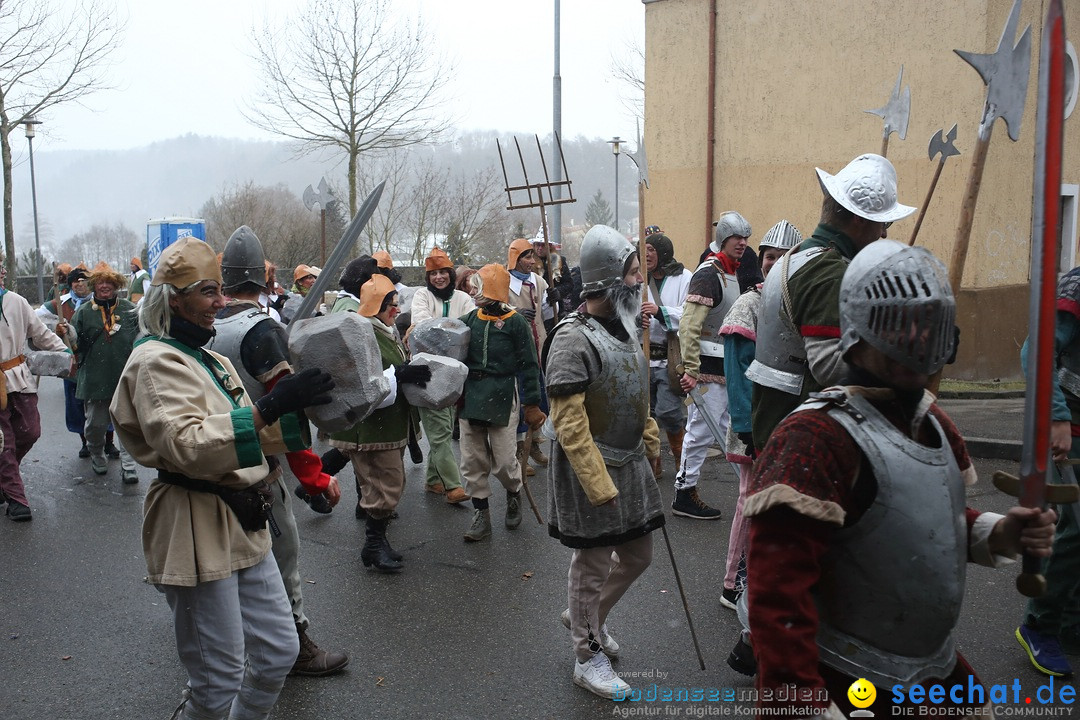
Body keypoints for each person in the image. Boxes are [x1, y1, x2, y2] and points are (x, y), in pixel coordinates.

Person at [744, 240, 1056, 717]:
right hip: (846, 675)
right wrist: (799, 699)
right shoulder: (814, 435)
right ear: (857, 331)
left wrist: (998, 532)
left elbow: (920, 520)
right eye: (897, 323)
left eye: (925, 323)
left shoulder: (934, 423)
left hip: (934, 667)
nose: (914, 339)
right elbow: (777, 596)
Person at [109, 236, 334, 719]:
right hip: (192, 523)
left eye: (219, 290)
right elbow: (187, 445)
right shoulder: (153, 361)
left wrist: (310, 409)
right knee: (217, 678)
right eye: (207, 291)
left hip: (247, 518)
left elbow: (256, 432)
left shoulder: (211, 359)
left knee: (277, 652)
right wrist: (271, 404)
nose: (219, 302)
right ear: (173, 299)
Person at [210, 225, 349, 677]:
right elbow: (285, 415)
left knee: (224, 559)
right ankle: (293, 645)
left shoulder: (202, 326)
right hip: (256, 465)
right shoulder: (262, 331)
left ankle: (232, 644)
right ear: (267, 282)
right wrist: (315, 478)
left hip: (210, 457)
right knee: (281, 552)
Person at [544, 224, 664, 700]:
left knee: (638, 555)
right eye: (634, 272)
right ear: (609, 280)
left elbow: (637, 396)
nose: (641, 280)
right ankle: (586, 655)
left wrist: (651, 445)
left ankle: (586, 616)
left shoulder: (628, 325)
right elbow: (570, 425)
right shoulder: (572, 340)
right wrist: (598, 484)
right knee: (591, 564)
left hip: (629, 460)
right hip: (589, 467)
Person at [748, 153, 915, 450]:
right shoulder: (829, 272)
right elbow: (829, 366)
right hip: (804, 438)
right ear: (857, 219)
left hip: (779, 428)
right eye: (881, 222)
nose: (885, 232)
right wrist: (900, 350)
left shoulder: (797, 257)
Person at [717, 220, 801, 614]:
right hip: (754, 422)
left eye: (785, 258)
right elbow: (737, 371)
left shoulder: (797, 304)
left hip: (788, 422)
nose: (775, 264)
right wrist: (748, 426)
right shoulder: (748, 304)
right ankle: (733, 582)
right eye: (770, 257)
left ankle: (764, 575)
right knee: (750, 499)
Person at [329, 273, 429, 572]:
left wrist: (403, 371)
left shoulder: (379, 328)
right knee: (384, 484)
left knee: (386, 484)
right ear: (376, 305)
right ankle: (373, 545)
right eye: (391, 305)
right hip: (371, 428)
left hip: (385, 424)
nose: (396, 310)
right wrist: (400, 373)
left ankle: (377, 543)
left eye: (397, 304)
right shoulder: (364, 333)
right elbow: (362, 383)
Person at [1013, 265, 1080, 677]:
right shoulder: (1077, 286)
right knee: (1075, 527)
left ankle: (1072, 625)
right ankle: (1039, 626)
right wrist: (1055, 418)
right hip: (1070, 426)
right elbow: (1034, 351)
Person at [458, 263, 544, 542]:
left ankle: (513, 494)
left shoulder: (516, 323)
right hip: (471, 395)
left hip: (503, 395)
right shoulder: (470, 319)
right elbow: (450, 350)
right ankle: (481, 513)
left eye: (478, 286)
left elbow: (530, 366)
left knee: (506, 461)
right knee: (472, 460)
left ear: (492, 289)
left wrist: (532, 404)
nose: (472, 291)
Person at [672, 210, 750, 520]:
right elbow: (689, 326)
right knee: (701, 433)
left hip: (726, 368)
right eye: (736, 237)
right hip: (707, 370)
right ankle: (684, 492)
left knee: (728, 430)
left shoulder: (731, 272)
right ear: (723, 239)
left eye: (745, 237)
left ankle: (748, 489)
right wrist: (691, 368)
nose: (742, 242)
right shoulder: (709, 273)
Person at [0, 262, 71, 521]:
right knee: (3, 443)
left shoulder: (16, 302)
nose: (2, 272)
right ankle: (17, 499)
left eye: (1, 267)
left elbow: (40, 334)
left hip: (18, 376)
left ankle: (4, 478)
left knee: (30, 431)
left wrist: (64, 350)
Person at [408, 246, 474, 504]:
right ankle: (453, 485)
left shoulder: (462, 298)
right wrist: (453, 333)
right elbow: (425, 329)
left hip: (456, 375)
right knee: (438, 432)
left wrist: (447, 333)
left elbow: (469, 327)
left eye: (442, 272)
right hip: (427, 374)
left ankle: (433, 481)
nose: (438, 278)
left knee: (444, 429)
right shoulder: (421, 296)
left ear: (450, 273)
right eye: (433, 273)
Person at [69, 262, 139, 482]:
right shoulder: (82, 313)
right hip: (95, 379)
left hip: (124, 377)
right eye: (100, 282)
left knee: (127, 425)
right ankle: (97, 454)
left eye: (109, 282)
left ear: (116, 285)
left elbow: (142, 338)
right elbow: (74, 344)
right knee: (95, 426)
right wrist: (65, 332)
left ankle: (129, 466)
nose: (105, 286)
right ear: (94, 286)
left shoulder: (130, 309)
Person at [640, 229, 692, 480]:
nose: (646, 254)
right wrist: (636, 319)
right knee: (644, 415)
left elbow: (689, 315)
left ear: (663, 252)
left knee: (669, 411)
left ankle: (682, 462)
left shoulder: (684, 278)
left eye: (651, 250)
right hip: (643, 356)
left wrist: (660, 312)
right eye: (644, 249)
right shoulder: (638, 279)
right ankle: (654, 462)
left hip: (669, 358)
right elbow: (625, 309)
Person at [507, 236, 550, 478]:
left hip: (538, 345)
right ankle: (517, 450)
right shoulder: (504, 283)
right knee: (521, 401)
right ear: (515, 259)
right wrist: (512, 313)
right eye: (526, 257)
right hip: (516, 349)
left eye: (532, 256)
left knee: (539, 398)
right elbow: (489, 307)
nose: (532, 261)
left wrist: (555, 300)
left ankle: (532, 444)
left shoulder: (539, 281)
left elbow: (544, 311)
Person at [49, 267, 103, 459]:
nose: (80, 284)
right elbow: (35, 320)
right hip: (72, 364)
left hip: (98, 362)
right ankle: (85, 443)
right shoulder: (59, 304)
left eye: (84, 280)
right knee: (76, 405)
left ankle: (109, 442)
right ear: (70, 284)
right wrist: (55, 333)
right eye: (76, 281)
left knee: (103, 403)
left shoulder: (101, 303)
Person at [531, 232, 574, 332]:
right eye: (538, 245)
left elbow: (569, 284)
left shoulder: (559, 262)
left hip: (555, 310)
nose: (540, 248)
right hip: (536, 311)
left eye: (543, 245)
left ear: (549, 246)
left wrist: (558, 292)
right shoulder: (529, 262)